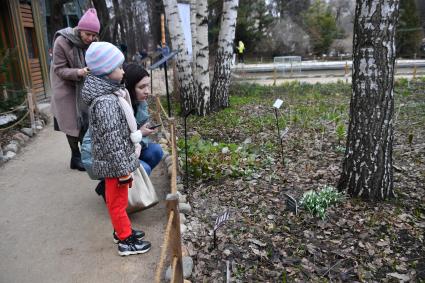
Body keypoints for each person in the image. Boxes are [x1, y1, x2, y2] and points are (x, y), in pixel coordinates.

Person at [82, 42, 151, 256]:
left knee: (117, 202)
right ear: (106, 71)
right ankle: (125, 241)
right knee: (118, 204)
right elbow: (112, 139)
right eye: (119, 67)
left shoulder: (110, 96)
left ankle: (122, 230)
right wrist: (123, 170)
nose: (123, 71)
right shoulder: (106, 103)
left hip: (114, 163)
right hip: (115, 165)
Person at [50, 8, 100, 171]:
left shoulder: (91, 43)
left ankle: (87, 154)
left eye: (94, 35)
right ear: (79, 30)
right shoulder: (62, 41)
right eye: (88, 34)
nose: (90, 38)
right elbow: (58, 69)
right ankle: (75, 156)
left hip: (82, 85)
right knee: (72, 124)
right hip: (64, 87)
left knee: (86, 120)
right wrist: (79, 72)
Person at [124, 63, 163, 176]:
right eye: (141, 87)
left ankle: (133, 184)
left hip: (133, 150)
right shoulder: (117, 106)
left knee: (156, 151)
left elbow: (141, 141)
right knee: (144, 169)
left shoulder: (141, 103)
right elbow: (117, 143)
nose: (147, 91)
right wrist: (140, 133)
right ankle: (110, 186)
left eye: (147, 86)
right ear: (129, 88)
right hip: (115, 158)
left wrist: (142, 134)